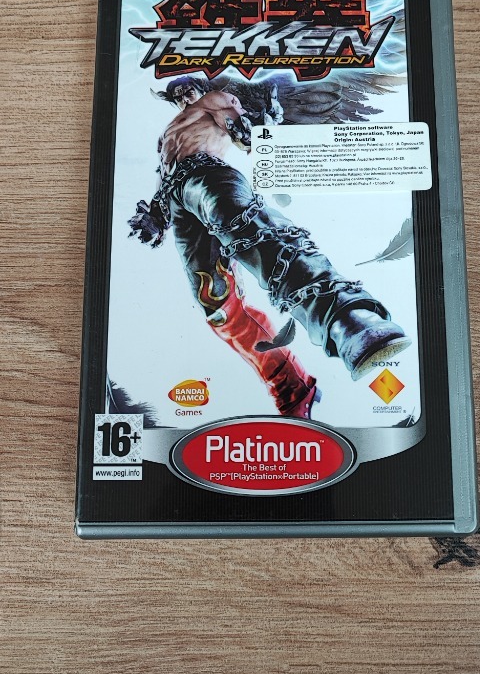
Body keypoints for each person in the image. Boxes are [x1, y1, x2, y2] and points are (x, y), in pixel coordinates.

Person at [129, 75, 410, 419]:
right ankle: (294, 390)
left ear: (200, 88)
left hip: (207, 175)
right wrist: (155, 217)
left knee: (249, 228)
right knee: (216, 305)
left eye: (188, 88)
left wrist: (249, 128)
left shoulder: (213, 100)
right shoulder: (168, 133)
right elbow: (164, 179)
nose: (183, 95)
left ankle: (348, 319)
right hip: (178, 203)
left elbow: (243, 133)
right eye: (176, 93)